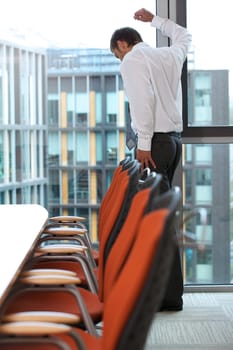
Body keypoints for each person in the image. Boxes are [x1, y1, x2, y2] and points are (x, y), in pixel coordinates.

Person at [110, 8, 192, 311]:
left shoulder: (133, 59)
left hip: (154, 146)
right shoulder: (168, 55)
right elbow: (185, 35)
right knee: (160, 219)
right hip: (172, 142)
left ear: (121, 45)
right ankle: (167, 294)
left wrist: (142, 144)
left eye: (117, 56)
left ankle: (164, 296)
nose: (120, 61)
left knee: (153, 222)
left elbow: (141, 101)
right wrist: (155, 20)